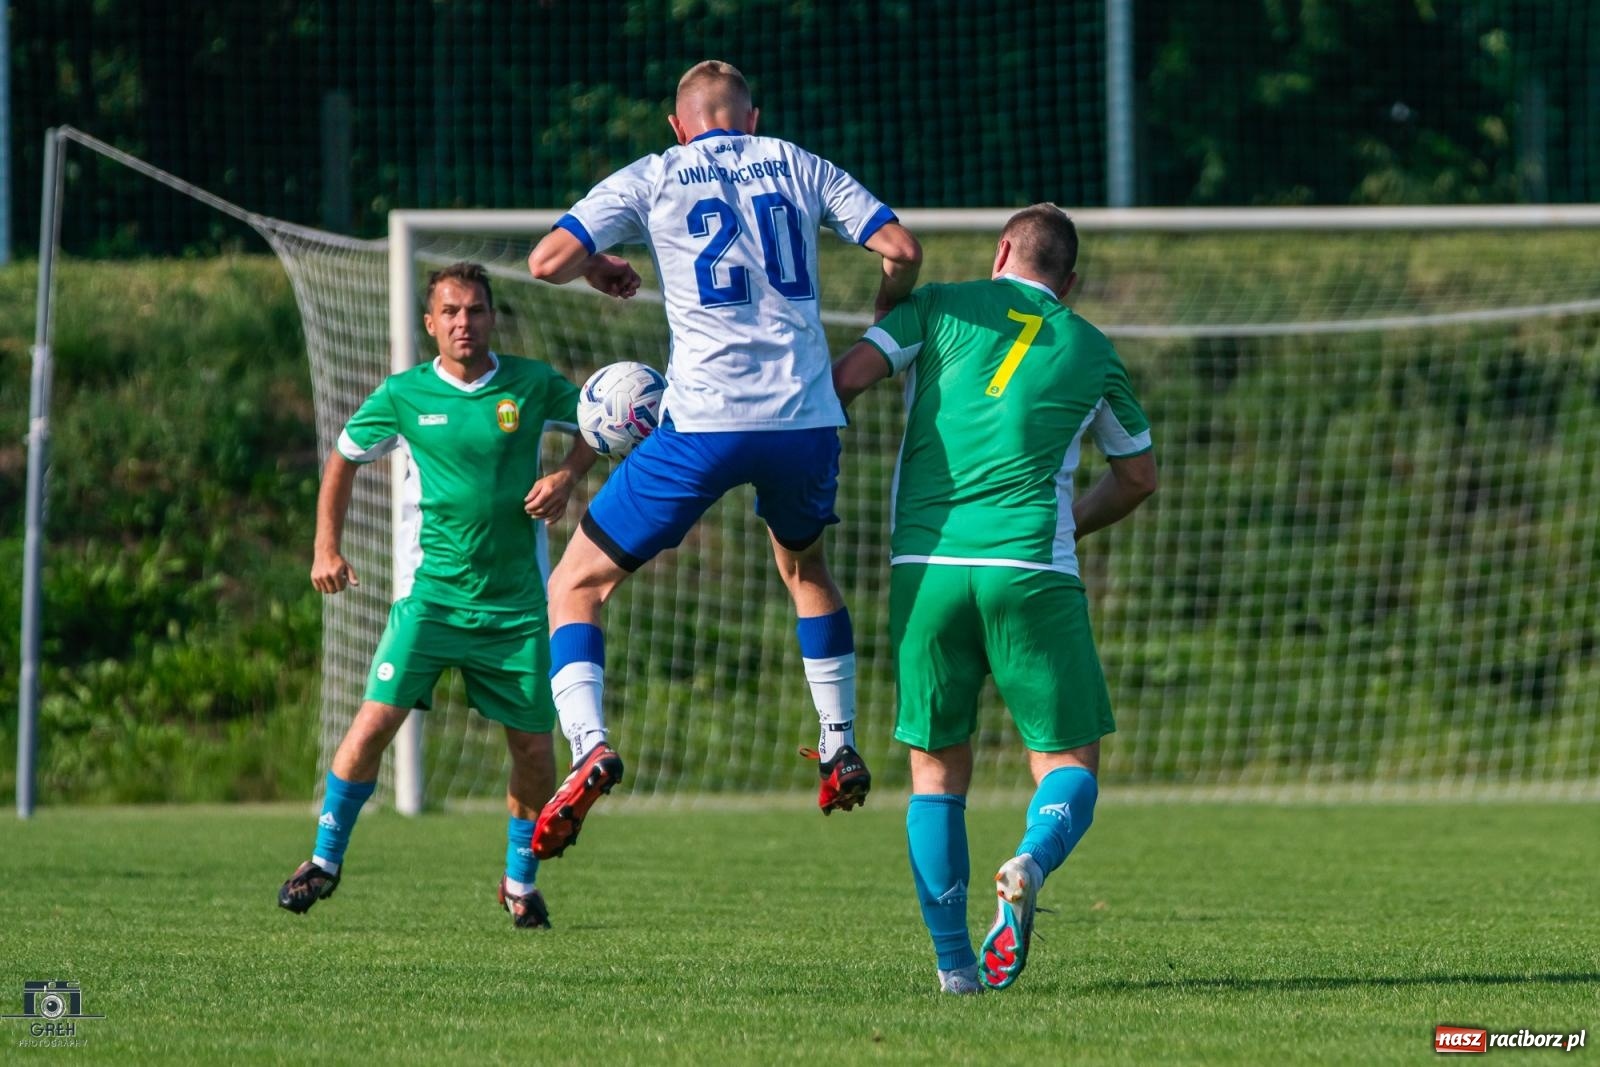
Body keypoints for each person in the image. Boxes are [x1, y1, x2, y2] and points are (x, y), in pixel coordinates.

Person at [524, 60, 922, 858]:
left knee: (574, 583)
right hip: (804, 420)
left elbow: (544, 261)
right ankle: (839, 740)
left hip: (702, 419)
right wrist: (885, 301)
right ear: (752, 117)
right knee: (806, 569)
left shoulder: (655, 172)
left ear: (679, 125)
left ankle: (590, 744)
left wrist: (599, 263)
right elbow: (901, 247)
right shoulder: (798, 162)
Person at [831, 204, 1158, 994]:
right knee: (1069, 763)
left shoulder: (938, 304)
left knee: (936, 772)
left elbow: (843, 382)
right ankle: (1031, 860)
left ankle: (955, 970)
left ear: (1001, 251)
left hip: (926, 566)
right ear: (1069, 283)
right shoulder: (1092, 347)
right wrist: (1071, 525)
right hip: (1030, 569)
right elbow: (1140, 476)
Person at [276, 261, 598, 928]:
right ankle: (325, 860)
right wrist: (324, 547)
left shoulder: (530, 384)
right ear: (430, 324)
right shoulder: (403, 394)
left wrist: (567, 474)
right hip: (431, 601)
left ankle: (518, 882)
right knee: (371, 726)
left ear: (491, 318)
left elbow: (602, 420)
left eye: (475, 310)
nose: (463, 322)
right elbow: (343, 457)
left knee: (535, 753)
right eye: (450, 311)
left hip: (515, 610)